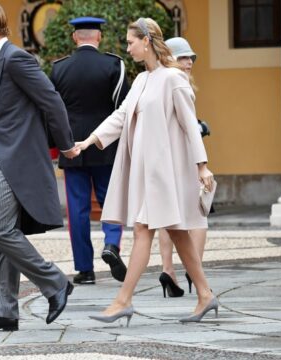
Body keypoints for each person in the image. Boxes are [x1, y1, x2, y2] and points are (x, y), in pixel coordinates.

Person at [77, 17, 217, 326]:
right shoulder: (141, 80)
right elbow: (121, 115)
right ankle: (205, 295)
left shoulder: (173, 78)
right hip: (146, 170)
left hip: (166, 172)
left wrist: (202, 166)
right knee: (178, 233)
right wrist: (89, 141)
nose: (127, 48)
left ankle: (122, 300)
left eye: (130, 42)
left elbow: (190, 127)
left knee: (143, 228)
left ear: (147, 41)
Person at [0, 3, 79, 333]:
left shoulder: (16, 58)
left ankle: (55, 282)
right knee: (0, 235)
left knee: (0, 231)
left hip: (13, 160)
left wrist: (66, 143)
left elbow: (51, 100)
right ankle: (3, 310)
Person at [50, 17, 130, 285]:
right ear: (99, 37)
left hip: (72, 147)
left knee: (77, 210)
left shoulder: (59, 69)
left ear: (75, 37)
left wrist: (60, 144)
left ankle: (85, 270)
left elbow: (53, 112)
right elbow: (123, 109)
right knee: (112, 200)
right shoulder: (114, 65)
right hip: (106, 147)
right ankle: (111, 244)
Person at [158, 37, 212, 297]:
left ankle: (168, 269)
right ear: (169, 58)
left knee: (168, 215)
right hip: (186, 158)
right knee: (199, 214)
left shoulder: (158, 81)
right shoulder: (179, 84)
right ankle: (195, 269)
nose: (189, 61)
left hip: (164, 158)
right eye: (182, 57)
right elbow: (187, 126)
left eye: (190, 57)